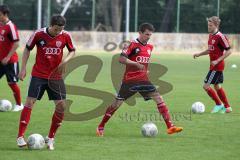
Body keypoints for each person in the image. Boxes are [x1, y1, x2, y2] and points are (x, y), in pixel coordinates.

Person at [96, 23, 183, 136]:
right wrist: (136, 64)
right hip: (130, 81)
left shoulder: (150, 47)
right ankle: (101, 126)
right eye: (146, 34)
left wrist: (144, 70)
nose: (148, 36)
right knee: (117, 104)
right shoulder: (131, 44)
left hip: (143, 80)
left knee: (159, 98)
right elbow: (122, 59)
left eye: (150, 35)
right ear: (140, 33)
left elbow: (144, 62)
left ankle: (170, 127)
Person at [16, 15, 76, 150]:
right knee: (30, 102)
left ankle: (51, 138)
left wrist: (65, 61)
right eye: (56, 29)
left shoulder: (65, 35)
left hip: (56, 77)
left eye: (60, 30)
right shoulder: (38, 34)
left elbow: (72, 51)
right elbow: (27, 49)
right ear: (51, 25)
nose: (58, 32)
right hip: (39, 75)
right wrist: (23, 68)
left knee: (61, 107)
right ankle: (20, 137)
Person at [193, 16, 232, 113]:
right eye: (208, 25)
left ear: (216, 25)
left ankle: (219, 105)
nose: (208, 27)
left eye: (210, 25)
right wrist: (199, 54)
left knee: (206, 86)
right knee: (217, 86)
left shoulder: (220, 36)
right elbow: (210, 50)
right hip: (214, 65)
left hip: (217, 66)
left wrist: (217, 60)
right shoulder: (211, 36)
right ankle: (227, 107)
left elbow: (229, 51)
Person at [0, 5, 23, 111]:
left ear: (5, 14)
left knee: (12, 83)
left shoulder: (11, 26)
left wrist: (8, 57)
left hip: (10, 61)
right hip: (0, 60)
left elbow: (17, 43)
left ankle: (19, 105)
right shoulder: (0, 25)